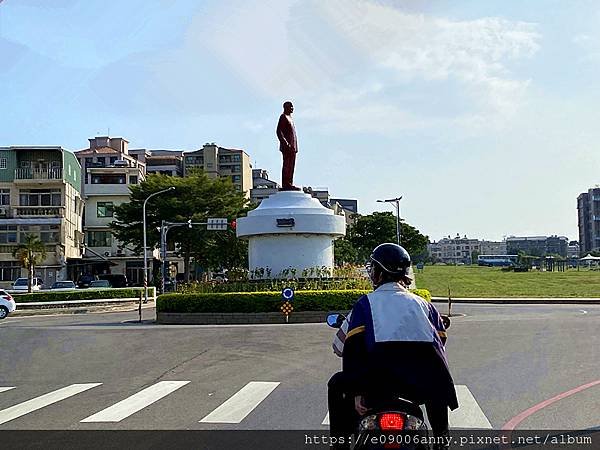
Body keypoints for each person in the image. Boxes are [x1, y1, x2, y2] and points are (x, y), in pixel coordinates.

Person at [328, 243, 458, 448]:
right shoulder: (425, 305)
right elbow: (441, 340)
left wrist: (357, 390)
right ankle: (442, 442)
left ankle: (340, 445)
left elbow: (341, 347)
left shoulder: (365, 304)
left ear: (378, 272)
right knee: (437, 380)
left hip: (375, 387)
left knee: (336, 384)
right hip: (419, 388)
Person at [276, 101, 300, 191]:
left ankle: (290, 182)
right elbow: (279, 131)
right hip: (287, 146)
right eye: (291, 107)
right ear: (286, 107)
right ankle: (286, 183)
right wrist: (285, 143)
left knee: (292, 165)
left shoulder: (291, 118)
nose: (292, 108)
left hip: (293, 147)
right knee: (287, 165)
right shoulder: (283, 117)